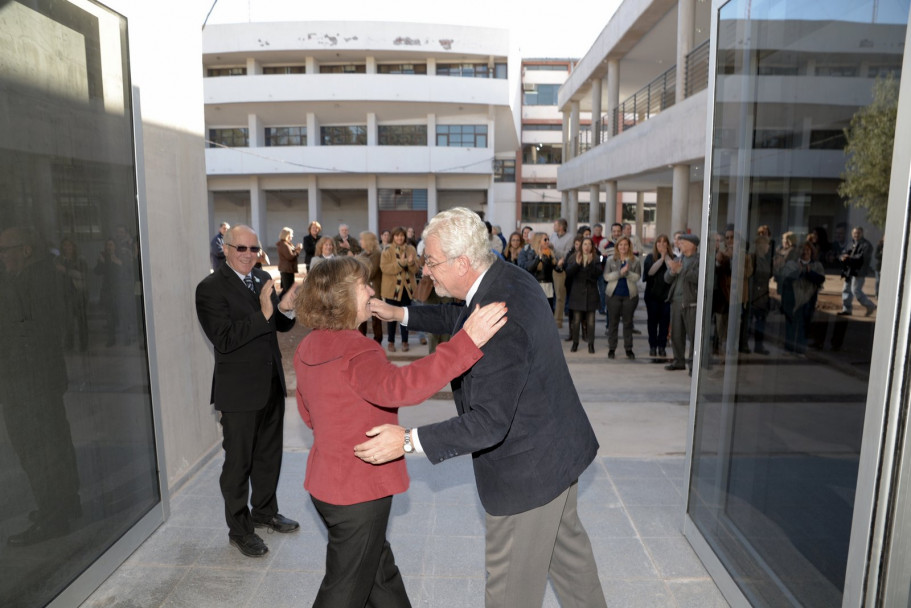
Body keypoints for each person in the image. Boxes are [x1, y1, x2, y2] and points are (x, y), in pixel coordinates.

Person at [355, 207, 606, 608]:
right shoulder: (503, 278)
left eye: (432, 262)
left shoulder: (499, 327)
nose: (426, 271)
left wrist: (406, 441)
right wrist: (400, 312)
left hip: (527, 477)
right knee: (572, 567)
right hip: (559, 454)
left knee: (509, 593)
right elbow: (460, 314)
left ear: (463, 262)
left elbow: (488, 424)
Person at [294, 256, 506, 608]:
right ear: (342, 296)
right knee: (344, 591)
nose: (371, 290)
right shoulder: (358, 350)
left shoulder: (309, 346)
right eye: (363, 285)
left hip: (327, 485)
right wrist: (466, 342)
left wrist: (344, 429)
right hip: (359, 493)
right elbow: (402, 387)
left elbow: (309, 414)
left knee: (378, 573)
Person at [195, 225, 301, 558]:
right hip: (238, 392)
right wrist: (265, 313)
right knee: (238, 464)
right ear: (225, 249)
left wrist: (285, 307)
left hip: (270, 384)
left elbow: (278, 325)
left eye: (254, 249)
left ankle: (265, 512)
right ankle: (240, 529)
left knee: (269, 456)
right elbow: (224, 339)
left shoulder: (260, 280)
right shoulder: (210, 288)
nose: (248, 255)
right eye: (241, 248)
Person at [1, 227, 82, 547]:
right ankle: (65, 504)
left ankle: (53, 516)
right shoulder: (39, 278)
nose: (2, 256)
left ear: (26, 250)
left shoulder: (31, 282)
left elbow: (28, 334)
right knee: (55, 442)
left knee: (36, 449)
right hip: (39, 380)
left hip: (27, 383)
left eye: (6, 250)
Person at [781, 242, 825, 354]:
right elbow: (786, 279)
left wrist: (809, 273)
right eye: (802, 249)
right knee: (791, 325)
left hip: (808, 300)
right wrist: (798, 271)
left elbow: (821, 279)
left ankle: (800, 351)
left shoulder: (817, 265)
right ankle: (788, 349)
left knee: (804, 327)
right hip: (793, 300)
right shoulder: (791, 264)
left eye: (807, 250)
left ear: (811, 252)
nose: (805, 252)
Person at [665, 233, 700, 373]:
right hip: (676, 301)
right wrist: (673, 272)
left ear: (692, 245)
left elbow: (698, 278)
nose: (680, 245)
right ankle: (678, 360)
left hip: (691, 302)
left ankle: (693, 365)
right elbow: (667, 279)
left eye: (683, 243)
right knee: (676, 334)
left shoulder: (699, 261)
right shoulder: (678, 259)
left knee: (693, 335)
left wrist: (681, 270)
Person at [380, 226, 418, 352]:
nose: (399, 238)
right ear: (393, 237)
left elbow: (416, 270)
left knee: (405, 317)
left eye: (401, 235)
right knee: (391, 317)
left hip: (407, 290)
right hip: (392, 291)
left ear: (405, 237)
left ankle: (405, 341)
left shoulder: (411, 249)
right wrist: (401, 263)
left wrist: (411, 263)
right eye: (397, 235)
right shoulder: (387, 251)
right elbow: (385, 268)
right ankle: (391, 342)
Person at [604, 236, 641, 359]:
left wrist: (627, 273)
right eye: (620, 245)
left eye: (625, 244)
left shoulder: (635, 260)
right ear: (617, 247)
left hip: (629, 296)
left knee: (628, 323)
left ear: (629, 246)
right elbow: (606, 277)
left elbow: (637, 277)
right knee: (613, 323)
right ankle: (612, 348)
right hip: (613, 295)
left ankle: (628, 348)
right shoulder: (610, 260)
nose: (623, 247)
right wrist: (620, 273)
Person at [565, 237, 601, 353]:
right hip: (577, 293)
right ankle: (575, 343)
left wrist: (590, 264)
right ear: (581, 246)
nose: (587, 247)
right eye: (585, 244)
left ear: (592, 246)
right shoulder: (574, 257)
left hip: (591, 294)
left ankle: (591, 344)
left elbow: (597, 275)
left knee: (591, 321)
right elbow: (569, 273)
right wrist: (577, 263)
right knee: (576, 321)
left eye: (589, 244)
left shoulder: (595, 258)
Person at [56, 238, 89, 352]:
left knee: (81, 321)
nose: (67, 248)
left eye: (69, 245)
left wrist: (66, 270)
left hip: (78, 294)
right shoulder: (59, 259)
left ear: (74, 247)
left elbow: (83, 275)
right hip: (64, 294)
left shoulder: (80, 260)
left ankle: (83, 345)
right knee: (68, 322)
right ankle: (69, 344)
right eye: (65, 245)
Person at [643, 235, 672, 358]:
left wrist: (666, 258)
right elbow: (650, 272)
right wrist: (661, 259)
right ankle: (653, 346)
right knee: (652, 322)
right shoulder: (650, 257)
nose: (661, 245)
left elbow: (673, 270)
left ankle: (662, 346)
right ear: (656, 245)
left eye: (664, 243)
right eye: (659, 243)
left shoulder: (673, 258)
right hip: (652, 296)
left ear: (668, 245)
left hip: (666, 296)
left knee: (664, 323)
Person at [838, 226, 876, 317]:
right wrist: (842, 257)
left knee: (856, 291)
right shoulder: (850, 243)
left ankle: (870, 306)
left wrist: (848, 258)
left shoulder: (867, 245)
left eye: (858, 233)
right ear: (852, 234)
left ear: (862, 233)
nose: (856, 235)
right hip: (849, 271)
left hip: (859, 272)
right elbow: (843, 253)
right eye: (855, 233)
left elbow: (861, 258)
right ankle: (847, 310)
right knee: (846, 290)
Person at [357, 231, 384, 344]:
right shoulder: (362, 254)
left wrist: (359, 265)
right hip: (362, 290)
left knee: (376, 317)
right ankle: (362, 339)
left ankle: (378, 340)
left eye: (362, 239)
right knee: (361, 315)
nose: (360, 241)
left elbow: (370, 272)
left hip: (374, 290)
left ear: (367, 241)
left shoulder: (377, 254)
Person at [522, 233, 556, 311]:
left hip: (549, 285)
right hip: (538, 284)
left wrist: (559, 266)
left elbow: (554, 267)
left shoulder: (550, 253)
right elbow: (529, 267)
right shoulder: (533, 253)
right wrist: (539, 258)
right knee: (537, 310)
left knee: (549, 310)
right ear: (539, 241)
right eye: (545, 240)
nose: (547, 242)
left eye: (548, 239)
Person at [550, 218, 573, 329]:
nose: (553, 227)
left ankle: (558, 320)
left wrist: (554, 249)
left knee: (560, 296)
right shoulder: (552, 236)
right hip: (550, 266)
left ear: (561, 226)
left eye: (555, 224)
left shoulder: (570, 238)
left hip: (561, 268)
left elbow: (567, 254)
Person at [276, 227, 302, 292]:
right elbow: (290, 257)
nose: (292, 236)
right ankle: (277, 302)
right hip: (286, 270)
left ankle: (278, 301)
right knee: (288, 291)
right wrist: (298, 250)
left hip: (288, 269)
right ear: (287, 235)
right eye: (291, 234)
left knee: (286, 290)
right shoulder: (284, 244)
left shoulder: (286, 244)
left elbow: (290, 253)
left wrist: (296, 249)